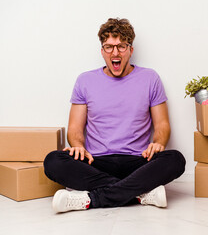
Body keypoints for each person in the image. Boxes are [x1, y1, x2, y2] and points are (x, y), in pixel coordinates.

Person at [44, 18, 186, 213]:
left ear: (130, 50)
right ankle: (139, 193)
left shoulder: (150, 78)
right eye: (109, 47)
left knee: (175, 159)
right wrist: (77, 147)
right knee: (53, 161)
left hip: (138, 161)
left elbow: (162, 125)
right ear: (102, 51)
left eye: (121, 46)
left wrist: (158, 143)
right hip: (95, 161)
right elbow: (75, 128)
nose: (115, 53)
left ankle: (90, 199)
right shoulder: (85, 81)